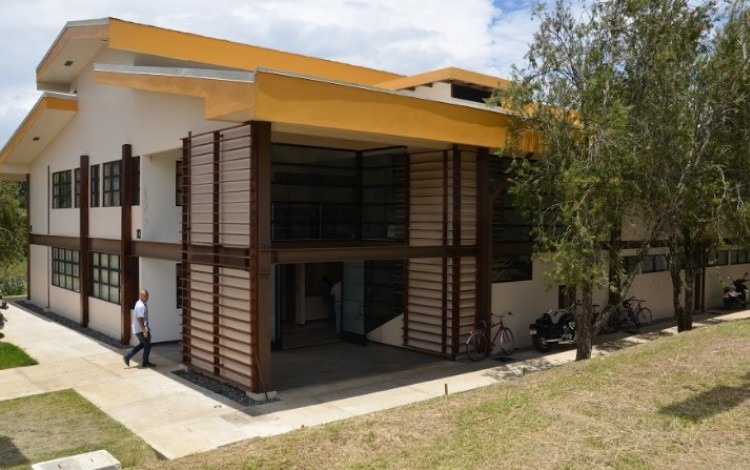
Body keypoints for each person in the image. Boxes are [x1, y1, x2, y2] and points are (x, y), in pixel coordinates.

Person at [123, 289, 156, 368]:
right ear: (141, 296)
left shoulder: (139, 303)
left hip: (139, 329)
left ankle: (128, 356)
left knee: (143, 344)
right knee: (147, 345)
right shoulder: (141, 305)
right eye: (145, 296)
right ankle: (145, 362)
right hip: (141, 329)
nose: (147, 297)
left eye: (147, 296)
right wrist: (144, 331)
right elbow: (139, 319)